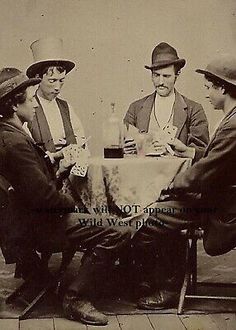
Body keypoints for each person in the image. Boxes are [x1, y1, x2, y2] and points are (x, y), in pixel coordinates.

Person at [0, 68, 131, 326]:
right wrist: (73, 204)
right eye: (30, 99)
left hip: (21, 225)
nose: (35, 105)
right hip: (37, 228)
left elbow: (33, 187)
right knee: (120, 228)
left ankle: (47, 282)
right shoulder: (15, 143)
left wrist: (57, 171)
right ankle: (75, 297)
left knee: (105, 221)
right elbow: (45, 199)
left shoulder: (7, 135)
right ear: (15, 105)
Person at [133, 54, 236, 309]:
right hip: (218, 197)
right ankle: (151, 280)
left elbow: (206, 170)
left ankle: (167, 287)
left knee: (155, 215)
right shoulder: (231, 118)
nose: (207, 94)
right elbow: (215, 159)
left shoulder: (233, 124)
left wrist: (168, 187)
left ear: (222, 88)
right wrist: (189, 153)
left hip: (224, 208)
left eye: (209, 88)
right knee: (165, 207)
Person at [124, 42, 209, 161]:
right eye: (156, 75)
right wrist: (125, 149)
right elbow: (123, 147)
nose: (160, 82)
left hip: (179, 178)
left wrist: (175, 150)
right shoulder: (135, 108)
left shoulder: (194, 110)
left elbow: (202, 154)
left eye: (166, 76)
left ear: (177, 75)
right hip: (142, 176)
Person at [26, 37, 85, 153]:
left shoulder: (66, 107)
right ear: (38, 78)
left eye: (61, 80)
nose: (57, 87)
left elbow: (81, 140)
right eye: (52, 81)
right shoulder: (28, 107)